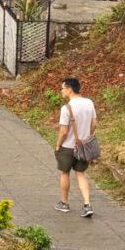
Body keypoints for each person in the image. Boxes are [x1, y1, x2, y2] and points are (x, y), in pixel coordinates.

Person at [54, 77, 97, 218]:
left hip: (68, 146)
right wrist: (88, 136)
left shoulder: (66, 108)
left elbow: (63, 131)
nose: (61, 91)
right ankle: (87, 204)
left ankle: (64, 203)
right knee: (80, 174)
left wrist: (58, 144)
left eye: (63, 89)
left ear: (70, 89)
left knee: (64, 173)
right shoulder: (89, 103)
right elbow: (94, 123)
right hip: (83, 145)